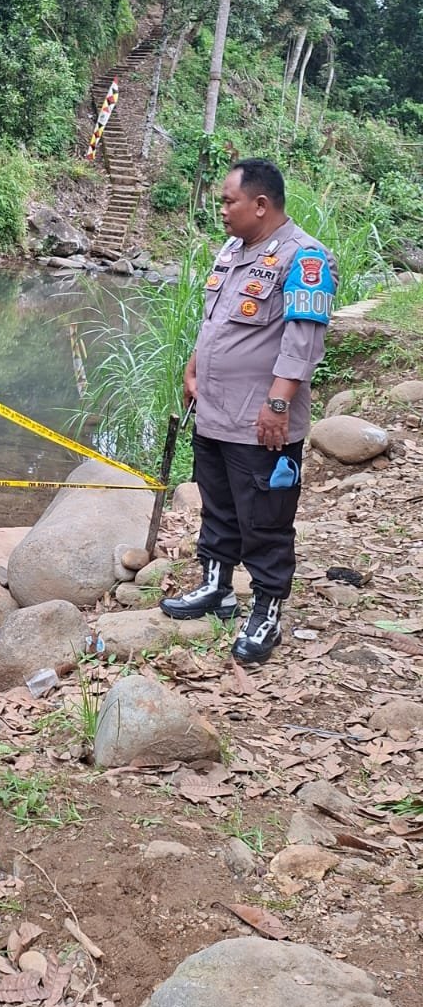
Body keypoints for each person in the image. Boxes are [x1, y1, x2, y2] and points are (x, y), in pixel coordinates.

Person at [161, 159, 338, 665]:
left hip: (261, 420)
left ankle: (266, 609)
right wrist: (194, 366)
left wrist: (278, 405)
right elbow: (214, 318)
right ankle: (216, 587)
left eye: (228, 201)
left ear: (261, 205)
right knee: (217, 504)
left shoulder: (305, 258)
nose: (221, 210)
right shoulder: (234, 249)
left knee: (265, 518)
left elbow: (303, 344)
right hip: (215, 412)